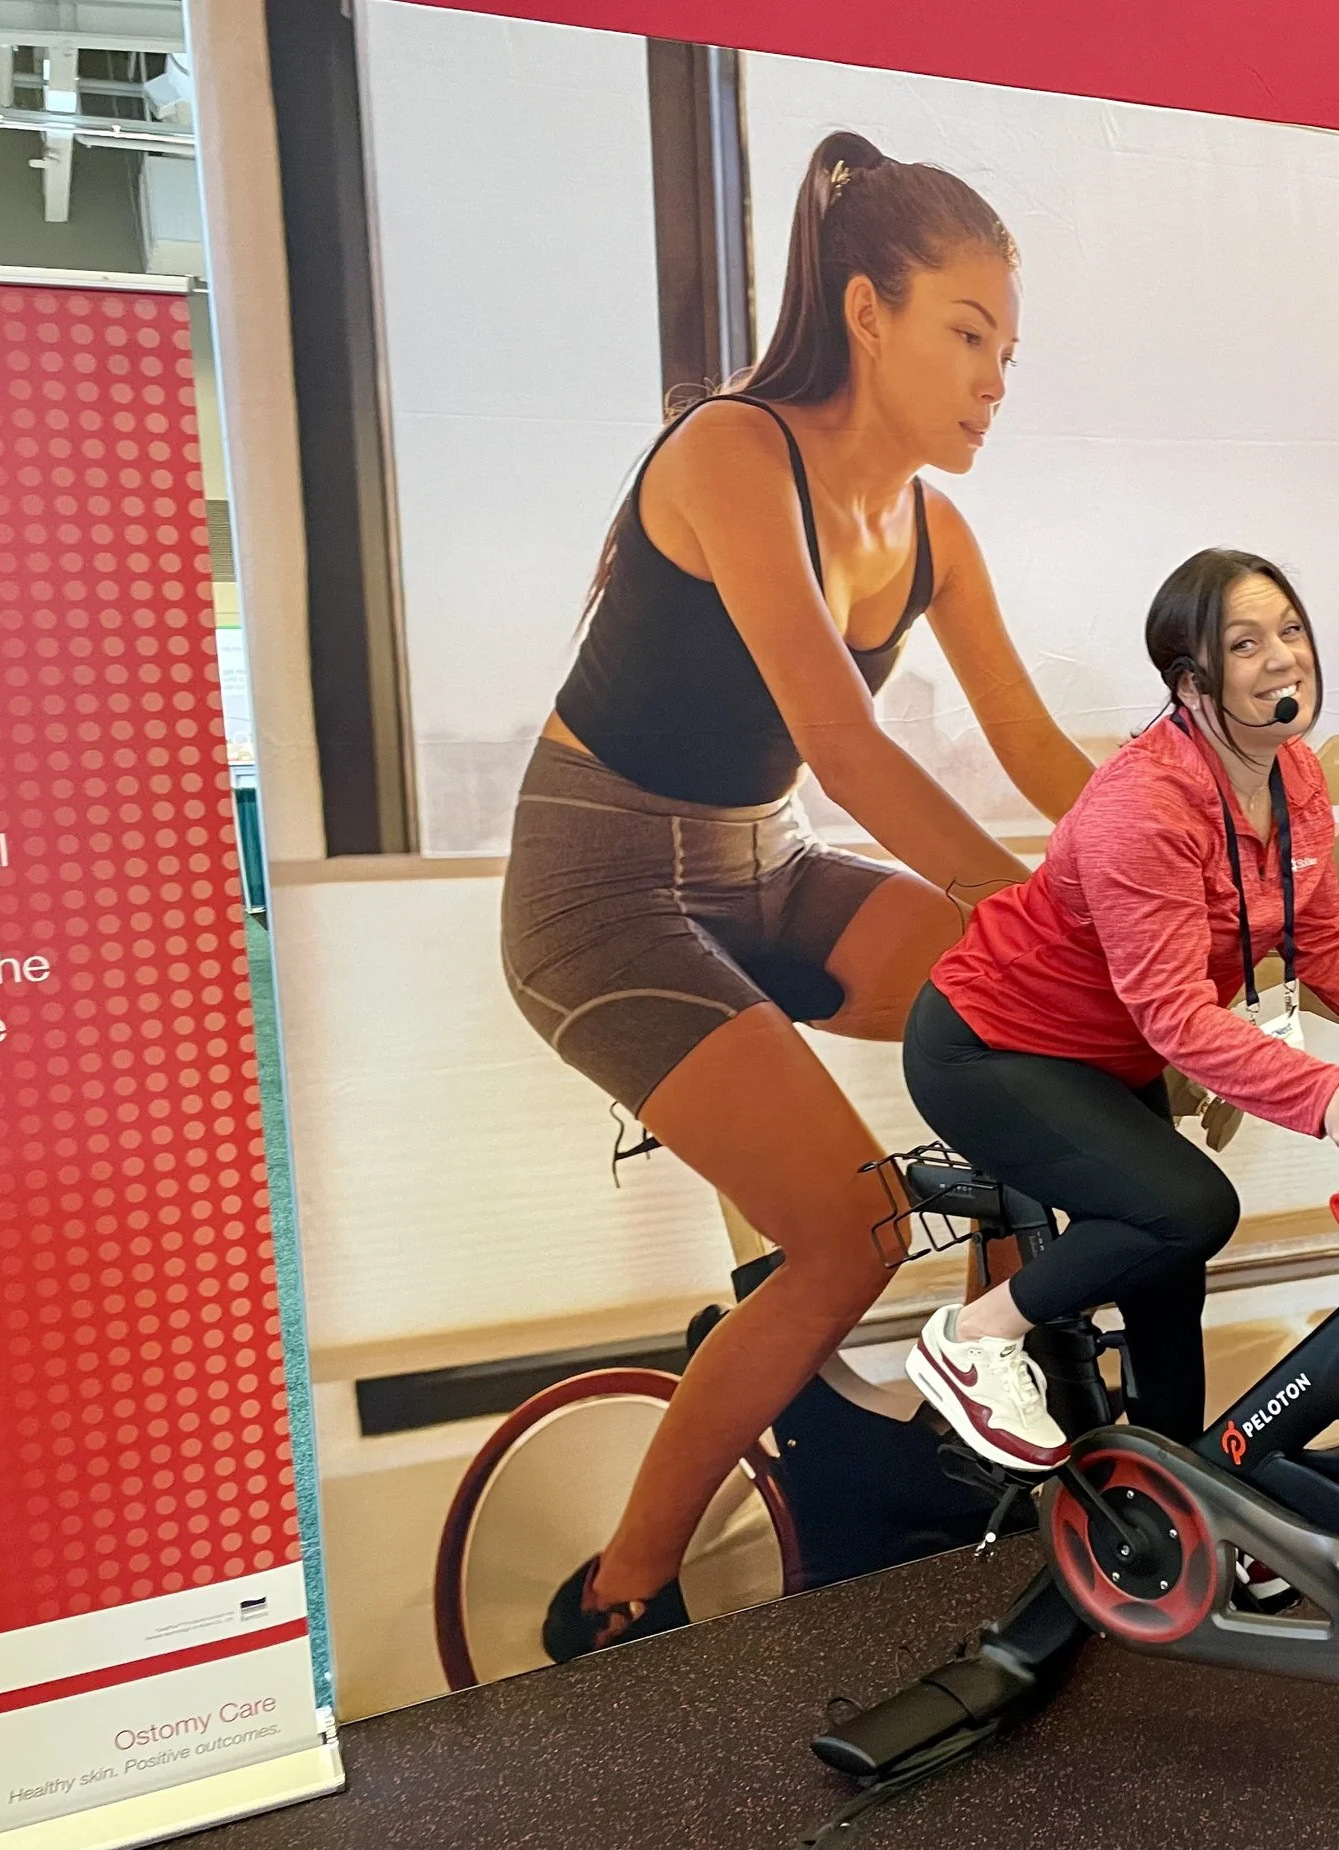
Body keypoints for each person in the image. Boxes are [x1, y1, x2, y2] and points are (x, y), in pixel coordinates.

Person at [503, 132, 1093, 1661]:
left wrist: (1190, 850)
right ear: (866, 312)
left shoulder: (934, 533)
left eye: (1011, 353)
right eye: (969, 335)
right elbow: (841, 739)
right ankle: (617, 1590)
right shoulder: (728, 450)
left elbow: (1036, 747)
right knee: (848, 1236)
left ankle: (987, 1385)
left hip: (758, 869)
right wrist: (1038, 901)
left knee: (1055, 1019)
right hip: (603, 890)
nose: (994, 380)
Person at [898, 548, 1339, 1470]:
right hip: (991, 1046)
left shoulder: (1290, 774)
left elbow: (1326, 940)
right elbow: (1177, 1016)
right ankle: (974, 1337)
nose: (1283, 658)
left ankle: (1175, 1483)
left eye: (1291, 631)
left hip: (1106, 1056)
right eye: (1246, 642)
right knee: (1187, 1208)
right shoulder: (1143, 807)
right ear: (1191, 683)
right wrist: (1328, 1094)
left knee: (1166, 1265)